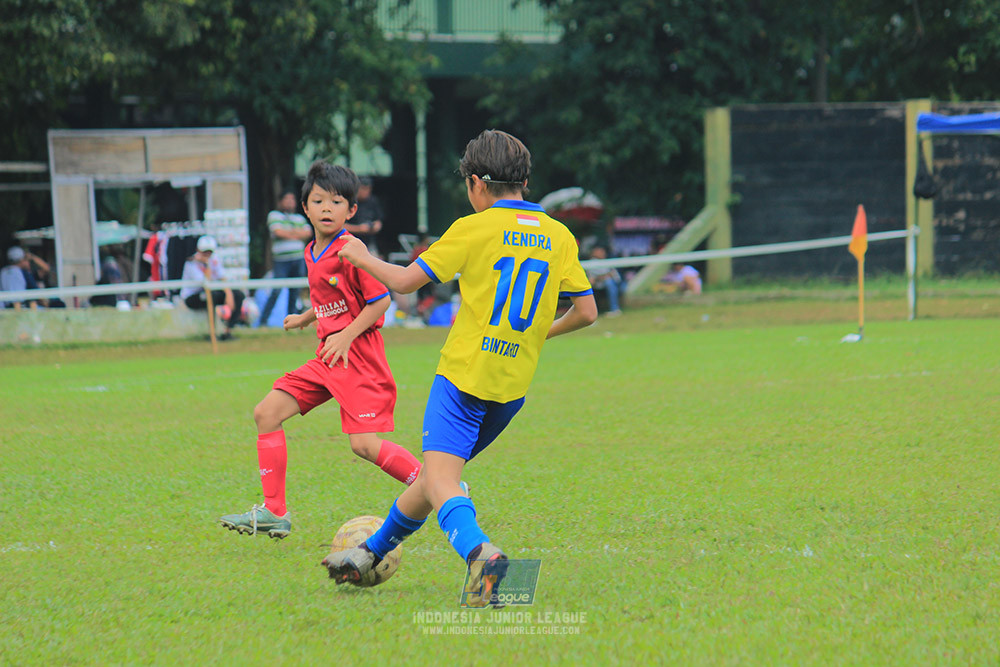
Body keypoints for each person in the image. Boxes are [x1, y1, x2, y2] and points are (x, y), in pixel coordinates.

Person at [323, 130, 598, 605]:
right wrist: (536, 335)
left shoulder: (473, 228)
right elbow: (587, 311)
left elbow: (407, 283)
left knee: (441, 480)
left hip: (462, 378)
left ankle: (482, 556)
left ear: (476, 184)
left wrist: (363, 256)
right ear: (525, 182)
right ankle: (369, 552)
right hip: (511, 387)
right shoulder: (558, 234)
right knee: (436, 477)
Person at [218, 161, 423, 539]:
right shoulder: (313, 251)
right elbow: (336, 297)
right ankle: (275, 512)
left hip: (358, 359)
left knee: (364, 445)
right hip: (328, 359)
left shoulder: (352, 249)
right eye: (319, 201)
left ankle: (439, 488)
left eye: (337, 201)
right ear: (305, 207)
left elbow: (379, 302)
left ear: (352, 210)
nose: (327, 208)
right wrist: (307, 317)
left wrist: (345, 335)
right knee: (266, 413)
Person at [259, 190, 312, 326]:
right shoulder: (274, 215)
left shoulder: (299, 218)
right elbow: (278, 232)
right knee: (276, 290)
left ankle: (293, 322)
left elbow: (308, 233)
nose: (290, 202)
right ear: (280, 201)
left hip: (297, 259)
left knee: (295, 291)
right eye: (286, 199)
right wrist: (296, 233)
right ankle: (263, 321)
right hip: (281, 261)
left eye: (292, 199)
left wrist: (288, 232)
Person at [180, 236, 246, 340]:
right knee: (211, 296)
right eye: (205, 252)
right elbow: (206, 282)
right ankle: (212, 333)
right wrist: (206, 265)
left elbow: (222, 277)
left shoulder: (214, 259)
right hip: (193, 296)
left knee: (238, 295)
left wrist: (229, 294)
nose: (207, 255)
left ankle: (228, 331)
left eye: (209, 252)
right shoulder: (191, 264)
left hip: (211, 292)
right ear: (198, 251)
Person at [344, 176, 383, 256]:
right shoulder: (349, 202)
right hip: (351, 242)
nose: (366, 191)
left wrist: (375, 227)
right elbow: (341, 226)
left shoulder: (373, 201)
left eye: (368, 189)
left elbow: (378, 221)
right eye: (363, 188)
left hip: (369, 242)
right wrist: (359, 228)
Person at [586, 245, 623, 317]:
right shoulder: (592, 262)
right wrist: (606, 276)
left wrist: (607, 276)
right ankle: (614, 308)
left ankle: (615, 309)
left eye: (603, 251)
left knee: (615, 284)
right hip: (598, 286)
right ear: (594, 252)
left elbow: (616, 277)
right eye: (600, 251)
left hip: (612, 284)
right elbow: (593, 278)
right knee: (609, 282)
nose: (602, 253)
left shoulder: (607, 261)